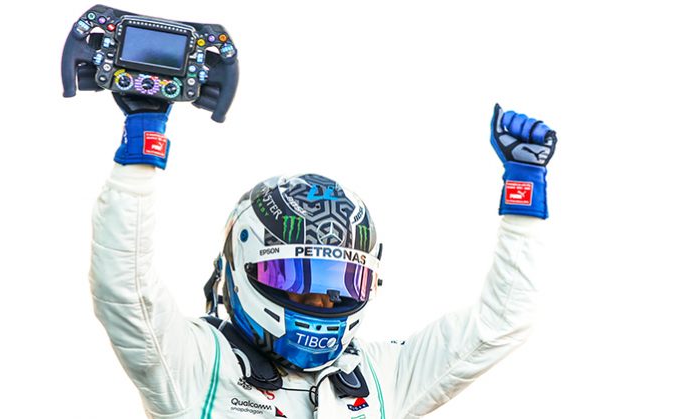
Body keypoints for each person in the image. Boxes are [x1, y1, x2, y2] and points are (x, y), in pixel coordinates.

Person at [90, 93, 557, 418]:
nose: (320, 300)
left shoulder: (378, 376)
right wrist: (143, 146)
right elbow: (125, 289)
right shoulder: (193, 364)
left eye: (340, 284)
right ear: (240, 268)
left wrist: (523, 194)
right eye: (296, 278)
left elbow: (501, 323)